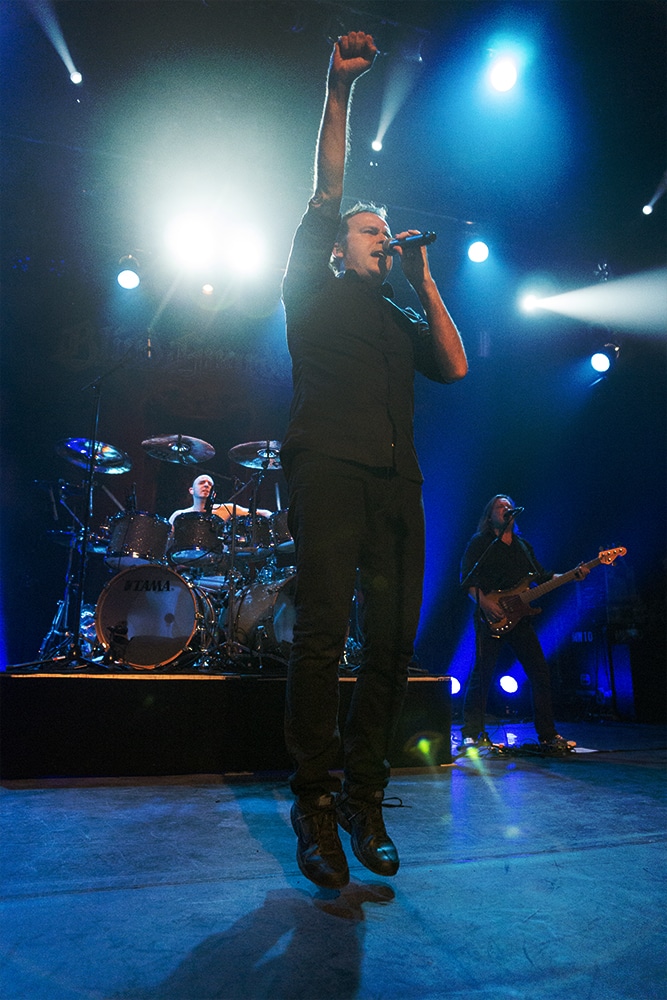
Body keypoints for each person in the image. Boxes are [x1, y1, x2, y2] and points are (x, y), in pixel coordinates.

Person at [281, 31, 468, 890]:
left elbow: (454, 368)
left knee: (391, 647)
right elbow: (326, 187)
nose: (381, 238)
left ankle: (364, 796)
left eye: (386, 232)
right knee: (323, 637)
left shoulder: (400, 312)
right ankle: (313, 801)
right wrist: (339, 90)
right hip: (327, 467)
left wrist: (421, 277)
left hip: (398, 484)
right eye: (369, 231)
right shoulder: (309, 289)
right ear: (338, 245)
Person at [459, 494, 589, 752]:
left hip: (519, 619)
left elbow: (543, 576)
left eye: (508, 505)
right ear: (490, 516)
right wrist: (486, 604)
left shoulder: (523, 546)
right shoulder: (481, 543)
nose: (506, 508)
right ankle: (471, 734)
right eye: (500, 506)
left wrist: (571, 575)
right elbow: (467, 580)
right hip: (491, 616)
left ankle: (548, 735)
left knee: (540, 673)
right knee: (481, 676)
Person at [168, 474, 271, 527]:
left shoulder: (226, 509)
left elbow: (262, 513)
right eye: (201, 483)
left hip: (218, 559)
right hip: (187, 559)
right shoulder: (179, 515)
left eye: (210, 484)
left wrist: (275, 518)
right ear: (191, 490)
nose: (206, 485)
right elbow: (167, 540)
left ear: (214, 494)